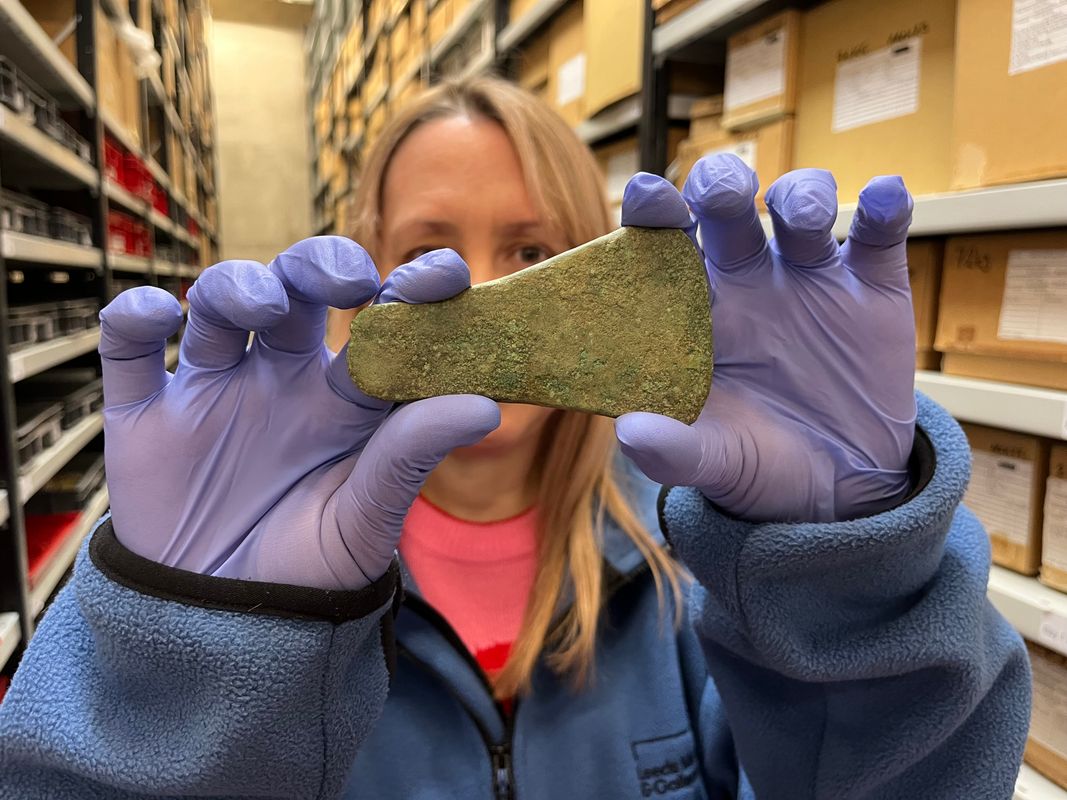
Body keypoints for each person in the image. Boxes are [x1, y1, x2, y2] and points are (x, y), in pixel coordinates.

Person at [0, 76, 1030, 799]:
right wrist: (191, 650)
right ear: (366, 273)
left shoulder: (696, 566)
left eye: (532, 248)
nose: (484, 292)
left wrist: (854, 583)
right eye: (429, 248)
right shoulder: (286, 561)